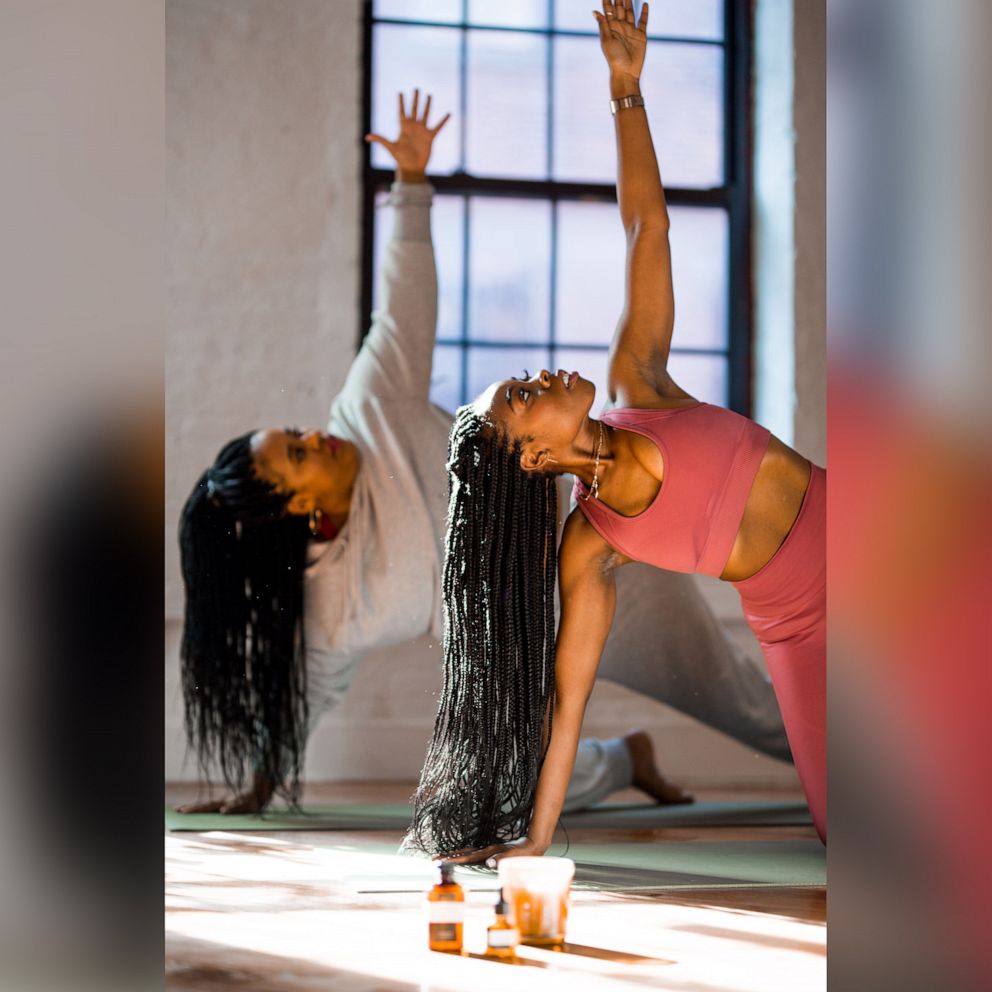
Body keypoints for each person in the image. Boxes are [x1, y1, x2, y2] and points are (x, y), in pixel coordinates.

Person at [176, 88, 790, 817]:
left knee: (750, 708)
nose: (319, 435)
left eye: (298, 432)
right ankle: (625, 759)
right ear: (296, 505)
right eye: (299, 455)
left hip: (599, 545)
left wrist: (410, 183)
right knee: (513, 785)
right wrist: (261, 781)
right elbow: (307, 690)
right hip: (512, 647)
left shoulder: (371, 407)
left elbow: (402, 305)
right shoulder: (334, 610)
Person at [406, 0, 824, 860]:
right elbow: (569, 705)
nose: (545, 371)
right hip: (796, 627)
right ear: (531, 456)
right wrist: (534, 841)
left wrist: (624, 88)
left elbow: (648, 226)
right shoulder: (591, 545)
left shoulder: (641, 379)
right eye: (525, 392)